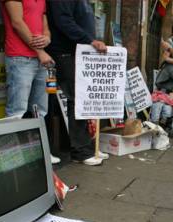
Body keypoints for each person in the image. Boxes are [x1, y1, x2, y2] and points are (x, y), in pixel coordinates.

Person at [46, 0, 109, 166]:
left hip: (79, 53)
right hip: (66, 52)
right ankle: (80, 151)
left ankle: (88, 147)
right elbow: (63, 21)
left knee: (82, 100)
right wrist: (89, 40)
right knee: (76, 99)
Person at [1, 0, 61, 164]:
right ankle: (12, 159)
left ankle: (39, 153)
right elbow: (17, 22)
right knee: (16, 111)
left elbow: (44, 23)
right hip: (20, 57)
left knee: (40, 111)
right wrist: (40, 51)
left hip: (40, 59)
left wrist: (47, 38)